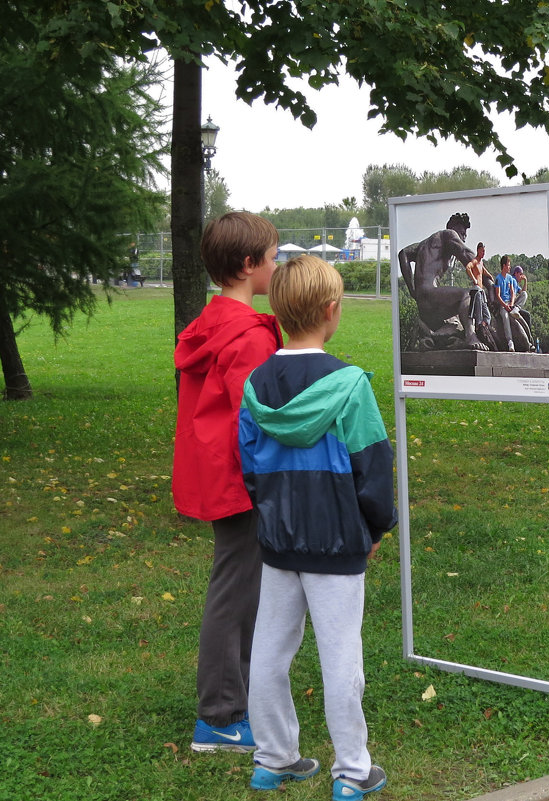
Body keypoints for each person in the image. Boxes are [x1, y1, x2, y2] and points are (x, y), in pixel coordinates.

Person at [238, 254, 397, 799]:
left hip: (279, 542)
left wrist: (271, 516)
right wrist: (377, 528)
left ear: (278, 311)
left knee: (269, 653)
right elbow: (373, 466)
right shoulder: (350, 385)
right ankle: (352, 772)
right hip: (336, 545)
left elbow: (250, 469)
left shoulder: (256, 384)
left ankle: (273, 758)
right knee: (340, 658)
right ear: (332, 311)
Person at [173, 211, 283, 754]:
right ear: (248, 266)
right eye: (272, 256)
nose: (276, 264)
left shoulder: (212, 324)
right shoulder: (248, 337)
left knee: (242, 589)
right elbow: (261, 417)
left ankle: (234, 702)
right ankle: (218, 717)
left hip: (224, 476)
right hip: (243, 482)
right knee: (235, 593)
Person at [397, 212, 488, 351]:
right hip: (429, 295)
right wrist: (489, 283)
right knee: (469, 295)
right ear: (452, 227)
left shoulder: (425, 244)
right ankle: (471, 337)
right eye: (462, 233)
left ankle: (435, 337)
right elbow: (466, 254)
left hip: (425, 303)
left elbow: (403, 254)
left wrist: (412, 290)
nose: (463, 238)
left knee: (458, 320)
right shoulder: (449, 234)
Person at [494, 255, 524, 352]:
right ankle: (510, 342)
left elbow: (512, 292)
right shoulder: (498, 278)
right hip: (503, 305)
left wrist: (511, 304)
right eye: (508, 265)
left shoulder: (510, 278)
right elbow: (497, 295)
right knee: (505, 318)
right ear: (504, 266)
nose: (510, 267)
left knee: (524, 294)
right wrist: (505, 306)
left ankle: (516, 309)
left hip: (511, 303)